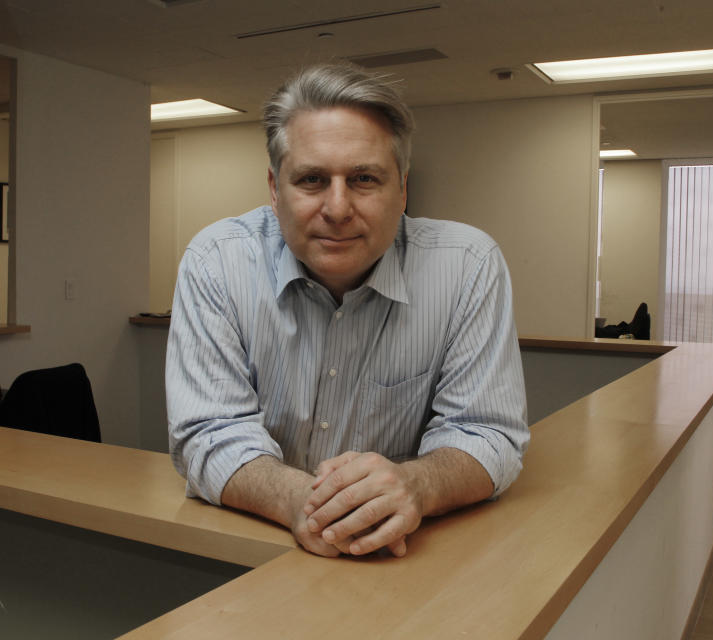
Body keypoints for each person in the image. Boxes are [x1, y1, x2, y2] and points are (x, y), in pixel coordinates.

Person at [166, 63, 528, 559]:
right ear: (275, 189)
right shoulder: (216, 263)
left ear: (402, 189)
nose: (337, 209)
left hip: (400, 560)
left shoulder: (468, 266)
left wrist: (415, 485)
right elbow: (207, 433)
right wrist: (298, 500)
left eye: (363, 179)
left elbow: (489, 433)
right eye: (312, 179)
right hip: (259, 552)